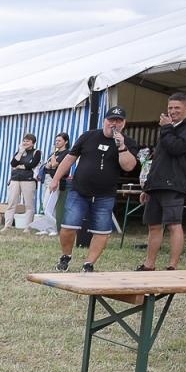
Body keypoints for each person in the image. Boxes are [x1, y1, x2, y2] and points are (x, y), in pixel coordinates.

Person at [49, 106, 139, 273]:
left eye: (118, 121)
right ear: (104, 121)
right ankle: (66, 256)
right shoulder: (88, 136)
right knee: (68, 226)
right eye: (111, 120)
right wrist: (55, 179)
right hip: (79, 190)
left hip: (105, 195)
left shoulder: (129, 143)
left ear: (124, 123)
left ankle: (89, 264)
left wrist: (121, 146)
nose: (114, 124)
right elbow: (69, 159)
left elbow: (129, 166)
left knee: (101, 230)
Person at [139, 91, 186, 271]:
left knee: (174, 224)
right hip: (156, 184)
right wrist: (147, 186)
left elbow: (177, 148)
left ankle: (172, 266)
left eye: (177, 108)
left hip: (174, 183)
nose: (172, 111)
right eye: (170, 108)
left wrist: (166, 128)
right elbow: (158, 158)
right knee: (154, 225)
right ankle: (149, 265)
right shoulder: (168, 129)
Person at [2, 134, 41, 232]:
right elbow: (13, 163)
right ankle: (7, 225)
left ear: (33, 143)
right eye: (24, 141)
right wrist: (20, 152)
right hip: (15, 178)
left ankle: (28, 227)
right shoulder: (19, 152)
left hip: (28, 179)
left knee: (29, 204)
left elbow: (32, 164)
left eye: (28, 141)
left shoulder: (36, 152)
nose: (25, 143)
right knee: (11, 202)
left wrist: (21, 166)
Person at [37, 132, 70, 233]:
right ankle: (47, 228)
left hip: (57, 180)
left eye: (59, 141)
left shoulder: (66, 153)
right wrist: (51, 164)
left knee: (48, 206)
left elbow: (55, 164)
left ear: (66, 142)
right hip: (47, 180)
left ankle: (53, 228)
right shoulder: (53, 153)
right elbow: (47, 166)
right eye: (56, 141)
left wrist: (52, 164)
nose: (57, 142)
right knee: (47, 204)